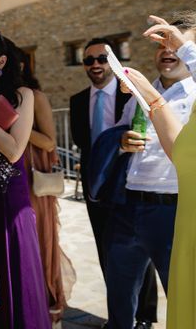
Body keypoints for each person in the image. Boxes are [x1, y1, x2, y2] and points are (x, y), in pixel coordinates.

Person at [103, 20, 196, 329]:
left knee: (182, 295)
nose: (167, 50)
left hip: (172, 210)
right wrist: (122, 140)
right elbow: (126, 132)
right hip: (129, 205)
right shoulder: (142, 89)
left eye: (177, 43)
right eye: (162, 43)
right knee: (118, 293)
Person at [69, 38, 158, 327]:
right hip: (98, 189)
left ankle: (143, 316)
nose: (95, 64)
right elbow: (81, 142)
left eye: (102, 59)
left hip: (129, 185)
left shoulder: (131, 95)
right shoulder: (78, 99)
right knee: (108, 254)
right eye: (88, 60)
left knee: (139, 256)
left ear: (114, 62)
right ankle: (119, 315)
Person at [0, 33, 50, 329]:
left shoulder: (21, 96)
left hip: (12, 200)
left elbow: (15, 151)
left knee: (18, 272)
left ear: (1, 61)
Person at [20, 49, 75, 326]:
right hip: (9, 180)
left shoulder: (36, 96)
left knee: (40, 243)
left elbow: (50, 143)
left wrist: (15, 125)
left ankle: (47, 305)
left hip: (34, 182)